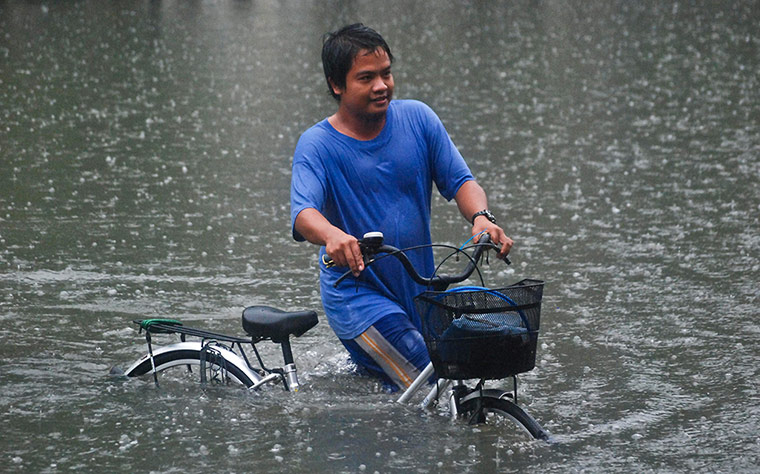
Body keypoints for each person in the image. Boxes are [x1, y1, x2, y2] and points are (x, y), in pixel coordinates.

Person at [290, 23, 512, 391]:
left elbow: (461, 182)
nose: (381, 85)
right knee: (436, 385)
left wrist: (481, 218)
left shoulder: (419, 119)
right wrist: (332, 235)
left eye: (386, 73)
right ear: (336, 85)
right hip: (358, 296)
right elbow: (303, 213)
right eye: (366, 78)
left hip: (422, 287)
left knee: (500, 333)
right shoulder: (317, 145)